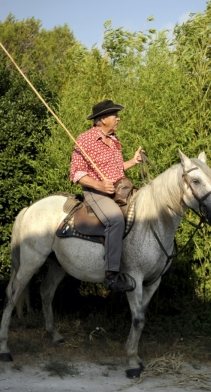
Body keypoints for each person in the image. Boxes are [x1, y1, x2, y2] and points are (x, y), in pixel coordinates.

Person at [70, 100, 143, 292]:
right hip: (95, 193)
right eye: (114, 115)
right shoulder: (85, 139)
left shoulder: (115, 140)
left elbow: (117, 170)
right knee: (116, 220)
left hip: (119, 189)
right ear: (103, 119)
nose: (118, 118)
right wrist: (99, 185)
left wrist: (133, 162)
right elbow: (76, 173)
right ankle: (111, 276)